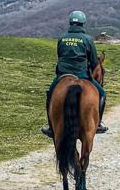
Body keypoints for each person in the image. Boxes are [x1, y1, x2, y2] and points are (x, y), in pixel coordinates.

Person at [41, 10, 108, 138]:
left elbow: (60, 57)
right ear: (83, 23)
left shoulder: (62, 39)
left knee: (50, 93)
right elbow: (94, 62)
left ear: (70, 22)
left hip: (63, 75)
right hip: (81, 75)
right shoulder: (87, 39)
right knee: (102, 94)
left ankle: (50, 126)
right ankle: (98, 123)